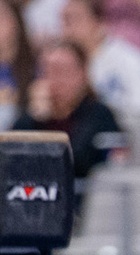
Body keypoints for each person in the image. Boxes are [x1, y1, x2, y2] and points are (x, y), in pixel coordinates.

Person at [60, 0, 140, 158]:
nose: (67, 29)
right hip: (95, 146)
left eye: (75, 19)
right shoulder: (69, 64)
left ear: (99, 22)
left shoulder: (127, 59)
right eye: (64, 21)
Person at [16, 40, 122, 179]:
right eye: (47, 71)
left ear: (83, 73)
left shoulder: (98, 114)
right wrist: (34, 119)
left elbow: (79, 161)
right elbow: (10, 156)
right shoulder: (32, 117)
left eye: (62, 71)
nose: (55, 80)